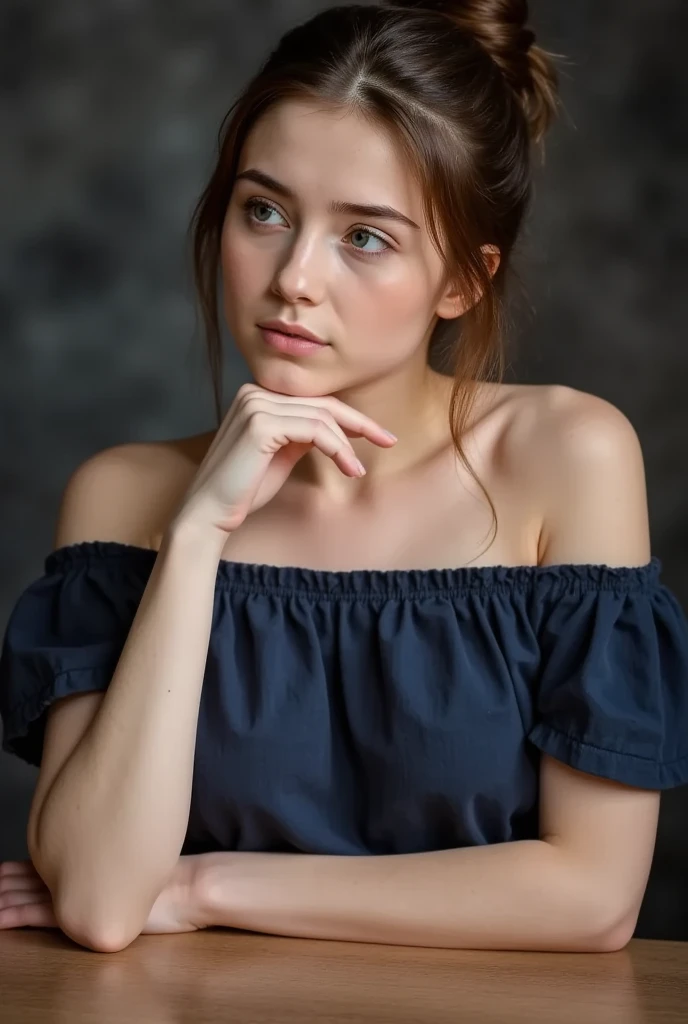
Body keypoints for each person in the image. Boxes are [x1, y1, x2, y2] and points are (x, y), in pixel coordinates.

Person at [1, 0, 687, 957]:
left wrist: (204, 885)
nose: (293, 278)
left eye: (365, 236)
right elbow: (105, 903)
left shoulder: (570, 456)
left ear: (462, 282)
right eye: (264, 211)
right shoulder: (123, 496)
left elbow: (592, 897)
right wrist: (198, 537)